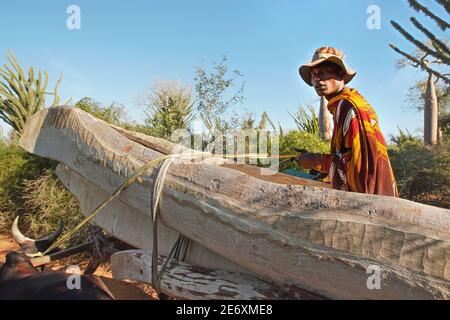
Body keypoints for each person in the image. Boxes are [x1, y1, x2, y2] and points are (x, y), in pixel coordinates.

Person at [296, 47, 398, 196]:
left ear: (341, 74)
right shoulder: (341, 105)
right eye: (314, 75)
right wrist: (315, 163)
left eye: (324, 72)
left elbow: (361, 169)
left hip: (370, 201)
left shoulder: (348, 106)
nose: (317, 79)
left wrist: (317, 160)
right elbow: (346, 155)